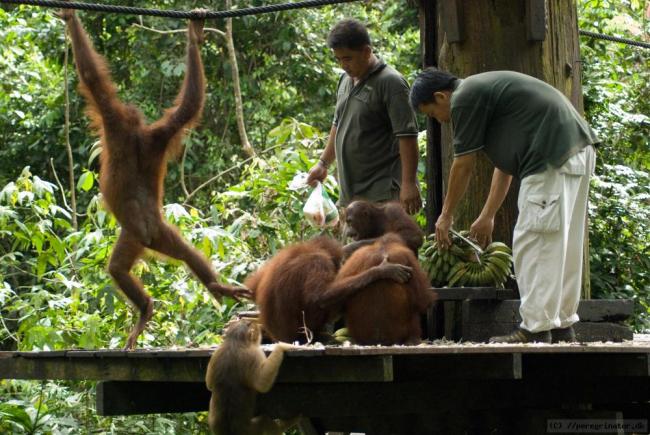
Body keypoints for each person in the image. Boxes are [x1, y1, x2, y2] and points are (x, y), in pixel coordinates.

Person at [410, 68, 598, 343]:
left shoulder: (464, 97)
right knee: (561, 244)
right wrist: (488, 215)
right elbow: (505, 166)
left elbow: (463, 165)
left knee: (533, 243)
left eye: (431, 113)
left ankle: (534, 329)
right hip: (575, 151)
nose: (438, 121)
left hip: (549, 158)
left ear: (441, 96)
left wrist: (445, 216)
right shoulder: (487, 97)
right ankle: (561, 325)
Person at [306, 19, 421, 215]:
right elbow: (338, 124)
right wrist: (323, 163)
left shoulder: (391, 83)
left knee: (385, 245)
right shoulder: (345, 80)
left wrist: (409, 183)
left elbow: (407, 136)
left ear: (367, 52)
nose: (343, 65)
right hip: (352, 196)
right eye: (338, 59)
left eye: (348, 58)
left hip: (383, 194)